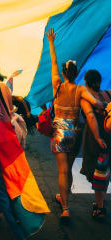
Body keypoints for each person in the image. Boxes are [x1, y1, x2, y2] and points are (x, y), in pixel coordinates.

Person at [46, 28, 104, 219]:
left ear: (63, 73)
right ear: (77, 73)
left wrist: (51, 43)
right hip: (75, 131)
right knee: (68, 169)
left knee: (61, 170)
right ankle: (64, 200)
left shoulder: (57, 84)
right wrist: (105, 104)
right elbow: (96, 103)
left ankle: (65, 208)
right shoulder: (80, 89)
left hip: (59, 131)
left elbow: (53, 62)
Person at [80, 70, 111, 219]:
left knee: (98, 173)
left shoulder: (87, 99)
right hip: (109, 137)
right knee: (104, 171)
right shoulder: (108, 94)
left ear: (86, 82)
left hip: (96, 140)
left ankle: (100, 208)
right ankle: (101, 202)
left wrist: (98, 138)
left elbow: (91, 118)